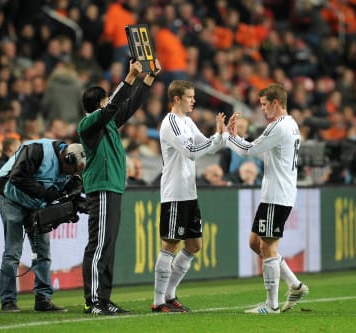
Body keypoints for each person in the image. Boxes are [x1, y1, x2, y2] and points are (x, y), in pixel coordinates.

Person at [78, 58, 161, 315]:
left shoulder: (109, 123)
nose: (109, 104)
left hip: (112, 187)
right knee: (99, 244)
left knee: (108, 245)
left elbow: (130, 104)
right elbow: (114, 106)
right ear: (99, 103)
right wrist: (129, 77)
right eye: (105, 101)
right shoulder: (89, 124)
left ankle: (104, 299)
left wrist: (148, 78)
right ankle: (93, 301)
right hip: (101, 187)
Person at [225, 82, 309, 314]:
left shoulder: (279, 127)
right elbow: (261, 153)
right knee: (256, 243)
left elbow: (248, 151)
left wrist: (227, 136)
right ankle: (294, 284)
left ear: (275, 103)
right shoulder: (290, 124)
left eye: (264, 104)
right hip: (277, 193)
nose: (262, 109)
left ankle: (271, 305)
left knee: (268, 245)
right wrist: (236, 137)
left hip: (277, 194)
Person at [152, 80, 227, 312]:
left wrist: (222, 135)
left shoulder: (187, 121)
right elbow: (191, 152)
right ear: (177, 99)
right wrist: (216, 139)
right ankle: (158, 301)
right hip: (174, 193)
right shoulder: (170, 123)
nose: (194, 100)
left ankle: (171, 295)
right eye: (189, 97)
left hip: (189, 192)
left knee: (194, 245)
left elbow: (206, 145)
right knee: (170, 244)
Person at [0, 139, 86, 312]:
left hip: (35, 203)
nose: (73, 174)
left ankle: (43, 299)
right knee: (13, 252)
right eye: (73, 170)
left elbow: (65, 188)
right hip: (11, 198)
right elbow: (16, 177)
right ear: (68, 158)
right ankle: (8, 301)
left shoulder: (70, 166)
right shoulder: (38, 151)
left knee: (43, 252)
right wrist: (45, 193)